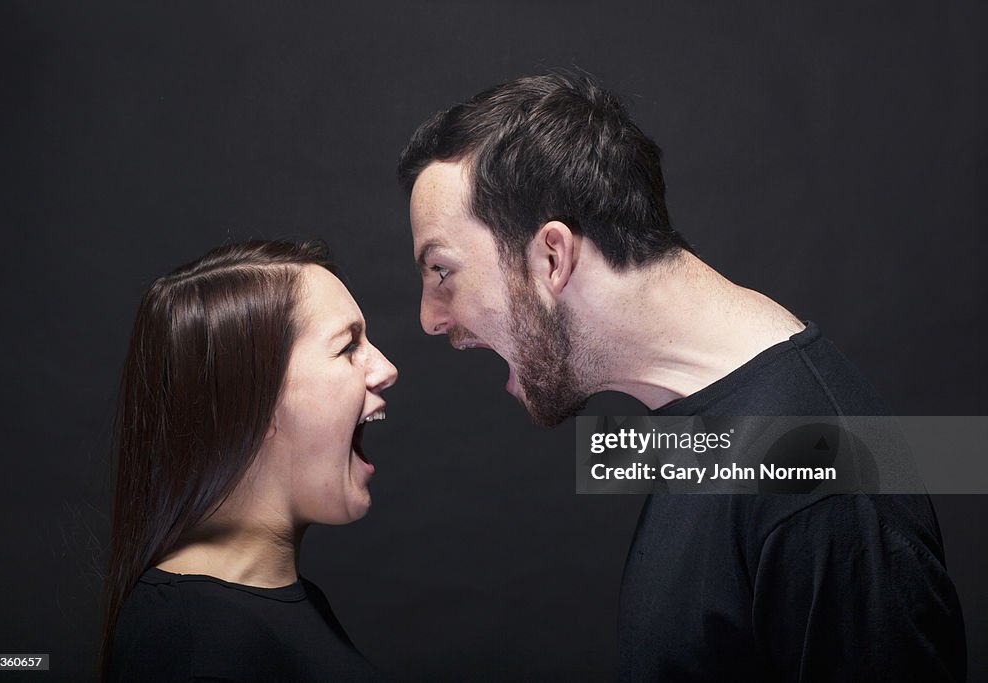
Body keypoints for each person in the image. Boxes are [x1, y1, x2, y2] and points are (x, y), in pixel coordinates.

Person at [398, 73, 966, 680]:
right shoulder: (705, 433)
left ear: (552, 257)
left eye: (441, 271)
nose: (431, 319)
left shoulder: (825, 477)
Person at [101, 240, 396, 682]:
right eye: (348, 346)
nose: (386, 368)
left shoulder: (280, 606)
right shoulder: (193, 641)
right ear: (249, 405)